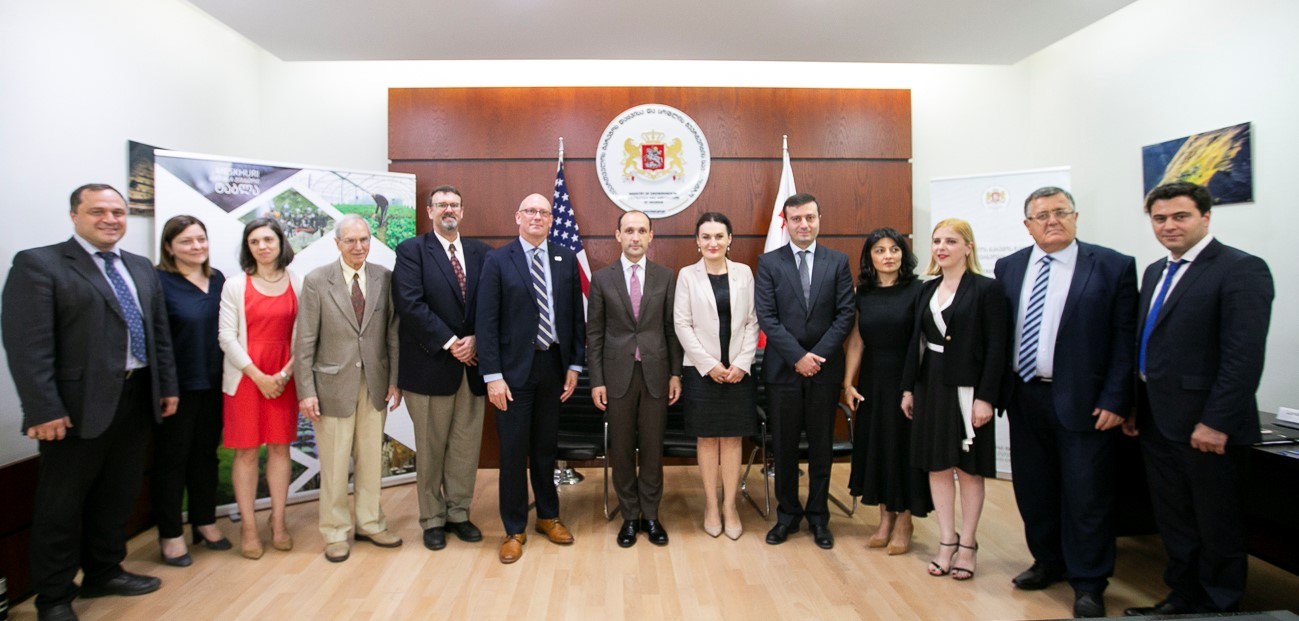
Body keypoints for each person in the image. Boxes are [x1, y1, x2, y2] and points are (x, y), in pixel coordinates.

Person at [2, 184, 179, 621]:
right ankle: (54, 596)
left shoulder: (139, 266)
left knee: (117, 495)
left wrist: (166, 386)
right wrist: (43, 408)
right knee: (61, 506)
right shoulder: (39, 264)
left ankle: (105, 571)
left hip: (136, 397)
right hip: (74, 407)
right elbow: (27, 346)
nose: (110, 219)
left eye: (118, 212)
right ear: (74, 216)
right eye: (98, 211)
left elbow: (158, 333)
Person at [1123, 182, 1274, 616]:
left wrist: (1217, 422)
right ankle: (1183, 597)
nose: (1169, 225)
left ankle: (1219, 604)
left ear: (1206, 217)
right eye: (1160, 218)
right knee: (1175, 519)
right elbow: (1148, 344)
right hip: (1157, 420)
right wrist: (1135, 405)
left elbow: (1243, 357)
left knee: (1216, 522)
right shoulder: (1156, 271)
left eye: (1180, 216)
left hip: (1207, 426)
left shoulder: (1241, 269)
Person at [992, 187, 1137, 618]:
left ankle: (1089, 582)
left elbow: (1125, 340)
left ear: (1075, 217)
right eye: (1041, 215)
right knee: (1034, 490)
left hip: (1085, 401)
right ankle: (1048, 561)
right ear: (1027, 225)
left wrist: (1117, 398)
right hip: (1024, 394)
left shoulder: (1112, 266)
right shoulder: (1009, 266)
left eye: (1060, 212)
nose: (1051, 220)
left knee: (1086, 495)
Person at [477, 193, 586, 564]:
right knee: (512, 452)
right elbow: (486, 322)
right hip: (511, 373)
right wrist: (492, 376)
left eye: (543, 212)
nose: (537, 216)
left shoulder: (565, 258)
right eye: (530, 211)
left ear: (551, 220)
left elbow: (575, 318)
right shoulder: (498, 260)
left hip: (553, 366)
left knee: (545, 448)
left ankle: (548, 516)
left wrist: (574, 366)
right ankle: (513, 529)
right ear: (518, 217)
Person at [900, 218, 1008, 581]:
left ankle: (968, 544)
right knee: (937, 466)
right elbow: (914, 343)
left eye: (950, 241)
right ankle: (947, 541)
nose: (941, 247)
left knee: (969, 469)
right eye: (936, 241)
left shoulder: (987, 289)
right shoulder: (926, 289)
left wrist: (986, 398)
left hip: (968, 390)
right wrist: (908, 389)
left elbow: (996, 349)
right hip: (930, 386)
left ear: (968, 247)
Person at [295, 214, 403, 562]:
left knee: (371, 461)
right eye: (351, 240)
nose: (359, 246)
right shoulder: (316, 281)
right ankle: (335, 531)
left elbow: (392, 335)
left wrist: (394, 380)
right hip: (331, 387)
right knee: (335, 464)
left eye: (364, 239)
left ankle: (370, 523)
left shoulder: (384, 277)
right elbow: (304, 341)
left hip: (374, 385)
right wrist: (306, 391)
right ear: (337, 243)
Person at [755, 193, 855, 550]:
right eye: (796, 218)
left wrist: (816, 356)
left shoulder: (838, 262)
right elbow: (767, 316)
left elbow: (845, 314)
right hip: (783, 370)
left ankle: (818, 517)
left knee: (821, 447)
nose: (803, 224)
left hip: (824, 372)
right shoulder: (769, 262)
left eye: (809, 217)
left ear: (819, 218)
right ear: (786, 222)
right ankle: (787, 515)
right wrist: (798, 356)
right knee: (783, 448)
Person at [393, 185, 489, 551]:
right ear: (430, 211)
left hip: (472, 366)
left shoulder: (482, 253)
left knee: (465, 447)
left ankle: (459, 513)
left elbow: (491, 303)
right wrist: (452, 343)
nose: (448, 210)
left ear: (462, 211)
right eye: (441, 204)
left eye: (454, 205)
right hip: (430, 366)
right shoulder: (412, 251)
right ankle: (432, 518)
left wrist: (476, 339)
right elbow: (410, 304)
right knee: (431, 449)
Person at [587, 210, 683, 548]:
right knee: (622, 448)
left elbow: (672, 330)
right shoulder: (602, 279)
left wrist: (675, 373)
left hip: (656, 375)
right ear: (618, 235)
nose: (635, 237)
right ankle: (629, 516)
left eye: (642, 230)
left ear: (651, 236)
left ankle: (651, 515)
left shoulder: (665, 277)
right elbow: (594, 334)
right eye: (629, 230)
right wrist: (596, 380)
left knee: (653, 449)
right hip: (616, 377)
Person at [842, 228, 931, 555]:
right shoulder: (863, 293)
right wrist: (848, 383)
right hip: (873, 380)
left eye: (894, 249)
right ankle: (885, 519)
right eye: (880, 250)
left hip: (907, 378)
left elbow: (922, 341)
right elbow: (856, 341)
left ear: (903, 255)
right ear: (870, 257)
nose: (888, 256)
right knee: (878, 446)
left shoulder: (919, 290)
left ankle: (905, 521)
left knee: (902, 449)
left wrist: (912, 386)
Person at [673, 212, 760, 541]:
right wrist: (709, 365)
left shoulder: (744, 273)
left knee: (733, 439)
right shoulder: (687, 275)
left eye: (719, 236)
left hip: (739, 371)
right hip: (701, 372)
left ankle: (730, 506)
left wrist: (742, 363)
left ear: (729, 239)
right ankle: (711, 506)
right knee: (707, 439)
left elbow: (752, 321)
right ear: (697, 241)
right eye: (706, 237)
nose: (713, 242)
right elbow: (682, 324)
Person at [218, 217, 301, 560]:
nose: (262, 246)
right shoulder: (235, 285)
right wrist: (259, 376)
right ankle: (249, 527)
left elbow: (304, 335)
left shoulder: (297, 281)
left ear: (281, 243)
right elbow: (226, 337)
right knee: (247, 453)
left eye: (268, 239)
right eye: (254, 241)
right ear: (247, 247)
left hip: (285, 378)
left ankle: (278, 521)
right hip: (245, 379)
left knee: (281, 449)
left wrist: (283, 374)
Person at [152, 215, 231, 568]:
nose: (197, 246)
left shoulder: (218, 280)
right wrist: (166, 386)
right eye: (186, 241)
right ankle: (170, 534)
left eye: (201, 239)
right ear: (169, 247)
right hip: (177, 390)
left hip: (215, 383)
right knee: (172, 461)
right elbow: (157, 340)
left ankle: (205, 521)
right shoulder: (157, 282)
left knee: (206, 457)